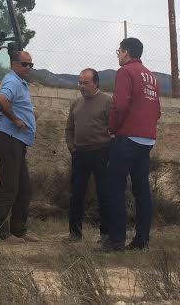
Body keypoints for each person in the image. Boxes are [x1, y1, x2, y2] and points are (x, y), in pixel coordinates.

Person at [102, 37, 161, 251]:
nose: (118, 55)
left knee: (114, 186)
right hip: (147, 139)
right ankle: (141, 240)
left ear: (126, 53)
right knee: (141, 189)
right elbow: (157, 110)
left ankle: (116, 240)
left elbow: (120, 106)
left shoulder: (125, 72)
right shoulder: (151, 76)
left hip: (127, 137)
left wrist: (113, 128)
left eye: (119, 51)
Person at [0, 50, 39, 243]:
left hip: (16, 142)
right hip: (8, 139)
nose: (28, 68)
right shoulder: (12, 81)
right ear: (14, 64)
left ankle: (18, 230)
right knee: (10, 187)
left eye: (31, 65)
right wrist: (16, 119)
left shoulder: (20, 83)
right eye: (24, 64)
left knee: (24, 188)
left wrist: (29, 117)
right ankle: (0, 233)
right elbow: (1, 100)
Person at [65, 68, 112, 242]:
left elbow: (114, 128)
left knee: (104, 193)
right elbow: (69, 129)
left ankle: (106, 233)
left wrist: (110, 151)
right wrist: (72, 148)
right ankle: (74, 233)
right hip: (80, 153)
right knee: (76, 194)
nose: (82, 86)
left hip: (102, 153)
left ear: (96, 83)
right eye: (80, 82)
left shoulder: (107, 101)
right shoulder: (75, 103)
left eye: (86, 82)